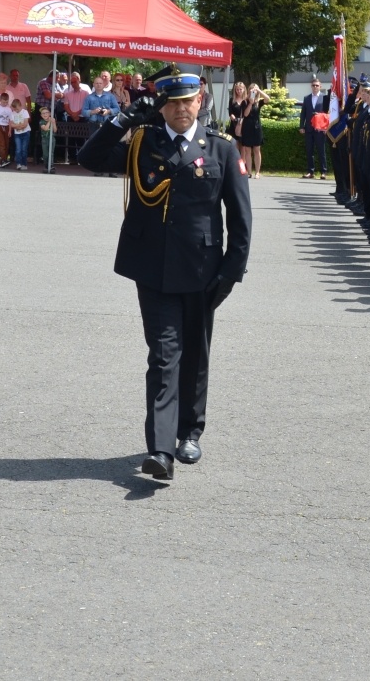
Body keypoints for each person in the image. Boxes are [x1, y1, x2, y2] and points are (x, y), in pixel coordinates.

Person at [77, 69, 253, 481]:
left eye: (187, 101)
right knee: (163, 354)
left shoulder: (221, 149)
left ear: (200, 101)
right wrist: (123, 119)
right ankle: (159, 449)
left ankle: (190, 430)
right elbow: (89, 158)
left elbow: (241, 220)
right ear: (161, 105)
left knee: (195, 352)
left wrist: (230, 273)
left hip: (202, 269)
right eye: (171, 102)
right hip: (152, 268)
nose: (179, 109)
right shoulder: (143, 142)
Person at [301, 79, 331, 179]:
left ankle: (323, 171)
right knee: (309, 151)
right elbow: (303, 114)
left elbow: (328, 114)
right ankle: (311, 171)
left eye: (317, 85)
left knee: (321, 151)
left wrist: (326, 126)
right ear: (311, 86)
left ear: (320, 86)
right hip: (309, 128)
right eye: (313, 85)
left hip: (320, 128)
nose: (315, 87)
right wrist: (301, 126)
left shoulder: (325, 98)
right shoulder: (306, 98)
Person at [241, 84, 269, 178]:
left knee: (257, 150)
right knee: (247, 150)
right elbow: (245, 114)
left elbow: (267, 99)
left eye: (255, 89)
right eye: (252, 89)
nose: (253, 91)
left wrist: (259, 91)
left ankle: (257, 172)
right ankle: (249, 172)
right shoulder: (244, 101)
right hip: (247, 127)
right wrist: (250, 103)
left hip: (256, 127)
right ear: (248, 90)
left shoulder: (259, 102)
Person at [9, 98, 31, 170]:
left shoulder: (25, 112)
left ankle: (24, 164)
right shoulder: (12, 113)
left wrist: (18, 126)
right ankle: (18, 163)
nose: (16, 111)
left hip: (25, 133)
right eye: (15, 109)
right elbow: (11, 124)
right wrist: (18, 126)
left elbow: (25, 123)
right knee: (18, 149)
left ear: (21, 106)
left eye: (17, 109)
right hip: (17, 134)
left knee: (24, 149)